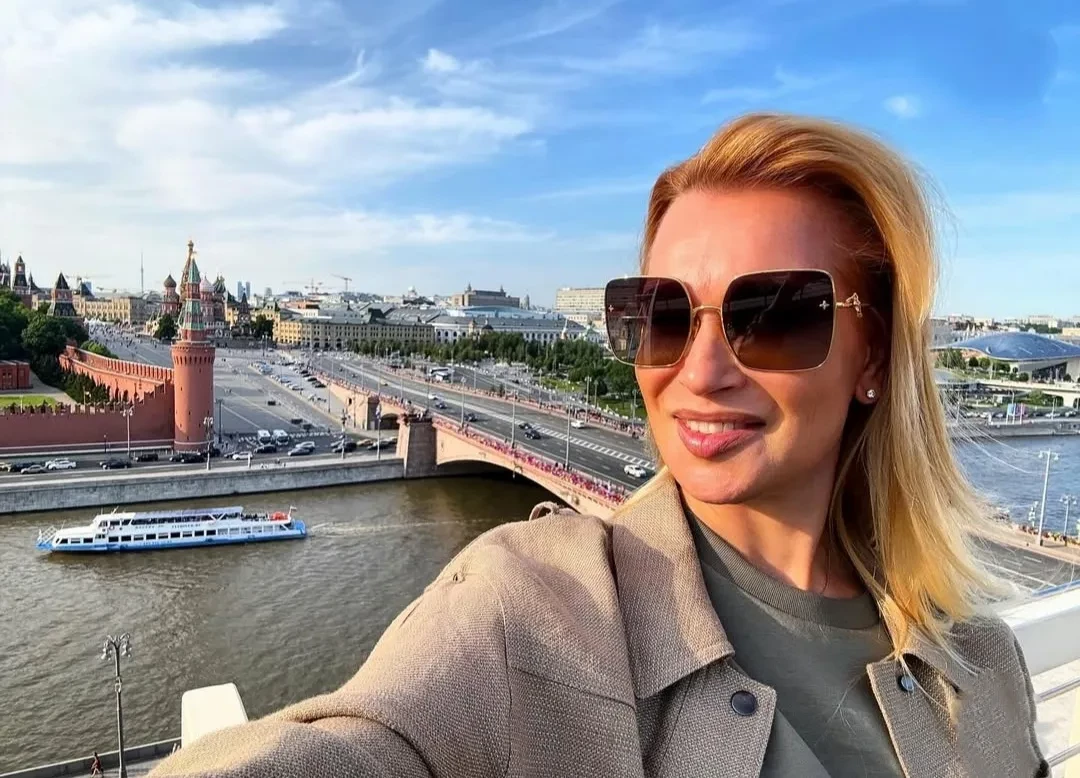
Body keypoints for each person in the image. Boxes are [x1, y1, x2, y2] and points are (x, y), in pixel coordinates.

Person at [149, 113, 1047, 777]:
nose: (699, 371)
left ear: (875, 355)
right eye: (658, 315)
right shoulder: (533, 611)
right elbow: (365, 745)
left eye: (772, 315)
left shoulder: (983, 664)